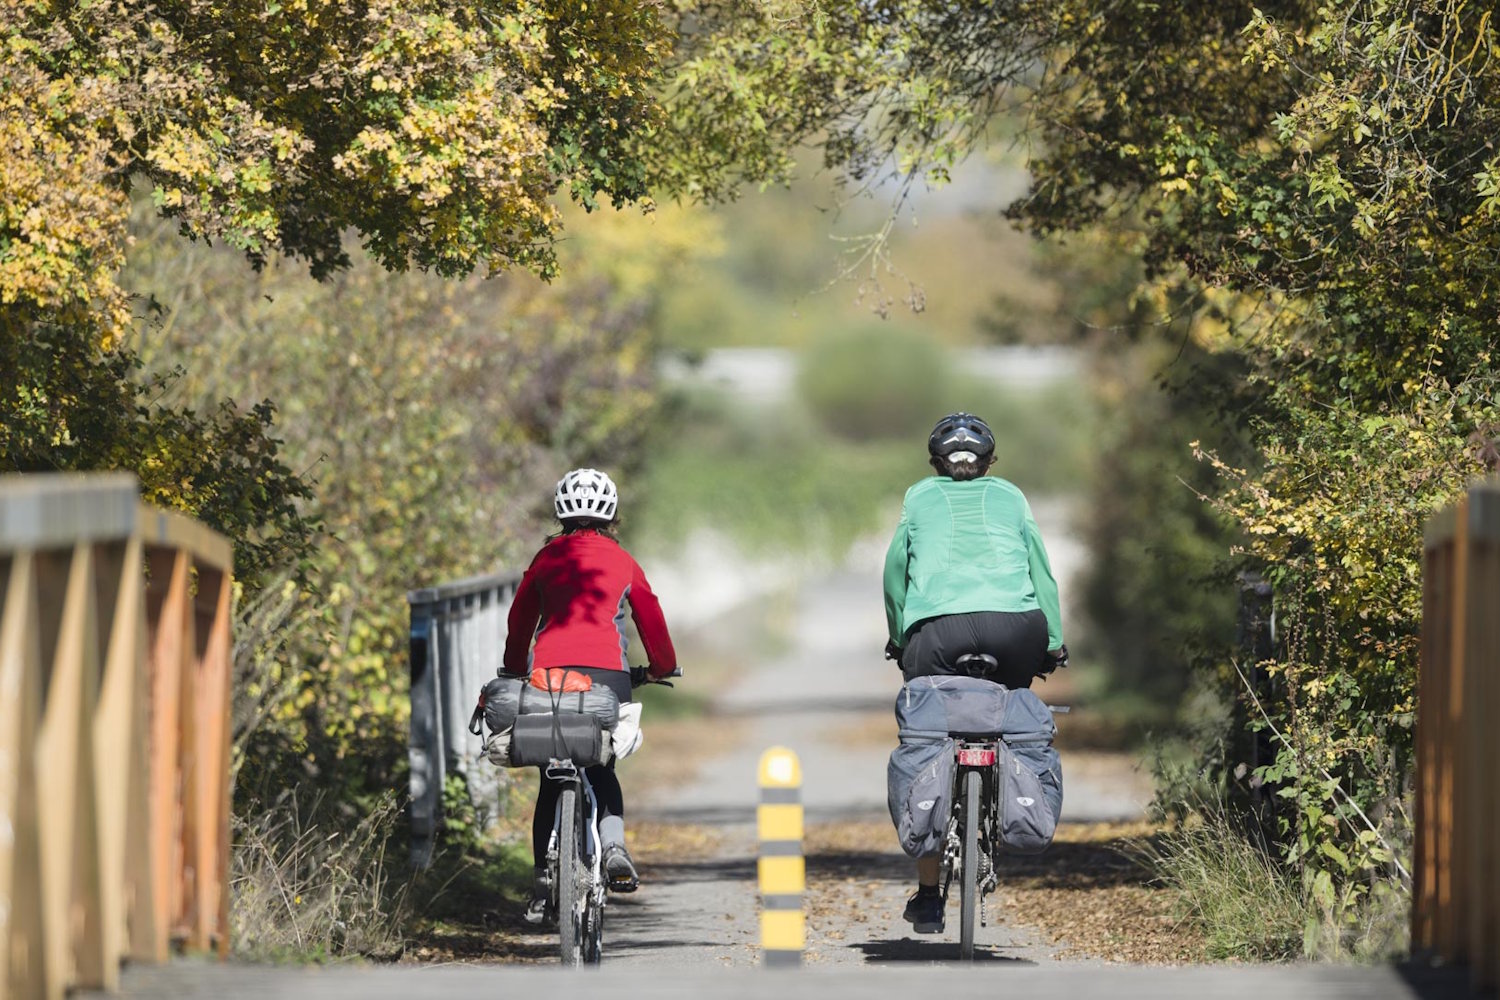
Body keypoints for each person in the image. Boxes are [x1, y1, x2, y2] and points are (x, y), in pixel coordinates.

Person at [882, 412, 1068, 932]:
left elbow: (896, 572)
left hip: (935, 631)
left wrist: (900, 635)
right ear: (991, 462)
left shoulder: (919, 496)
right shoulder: (1011, 496)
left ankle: (927, 892)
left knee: (931, 736)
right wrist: (1051, 641)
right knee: (1005, 712)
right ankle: (1007, 800)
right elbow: (1040, 570)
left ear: (934, 462)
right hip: (1016, 628)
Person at [502, 467, 678, 924]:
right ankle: (615, 847)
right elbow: (651, 620)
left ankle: (543, 877)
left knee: (552, 777)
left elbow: (520, 620)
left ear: (560, 513)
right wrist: (659, 668)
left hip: (550, 679)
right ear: (611, 515)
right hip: (608, 679)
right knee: (601, 769)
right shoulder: (623, 561)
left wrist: (515, 668)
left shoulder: (546, 560)